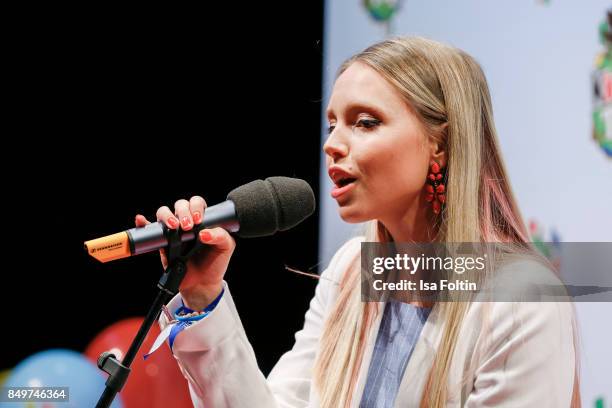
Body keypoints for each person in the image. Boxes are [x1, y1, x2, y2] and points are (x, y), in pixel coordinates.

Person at [135, 36, 580, 407]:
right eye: (332, 124)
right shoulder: (354, 269)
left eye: (365, 123)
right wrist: (204, 296)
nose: (333, 144)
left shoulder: (520, 299)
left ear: (440, 144)